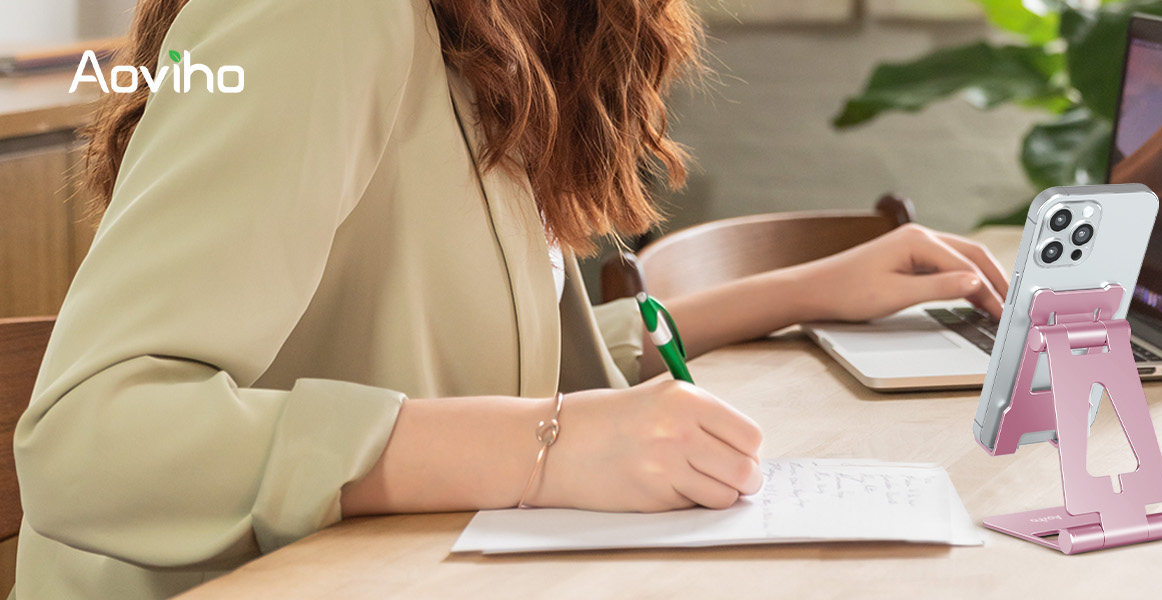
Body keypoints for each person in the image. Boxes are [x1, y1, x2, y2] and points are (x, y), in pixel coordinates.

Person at [12, 0, 1009, 597]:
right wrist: (546, 447)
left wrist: (804, 292)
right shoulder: (323, 18)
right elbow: (86, 446)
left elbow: (485, 370)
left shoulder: (507, 33)